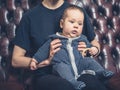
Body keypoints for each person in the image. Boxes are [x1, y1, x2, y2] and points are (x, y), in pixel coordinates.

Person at [12, 0, 106, 90]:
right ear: (61, 23)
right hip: (46, 75)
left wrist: (92, 51)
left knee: (93, 84)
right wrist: (45, 61)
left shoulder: (76, 12)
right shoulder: (29, 17)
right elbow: (16, 60)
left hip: (78, 69)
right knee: (65, 86)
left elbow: (94, 43)